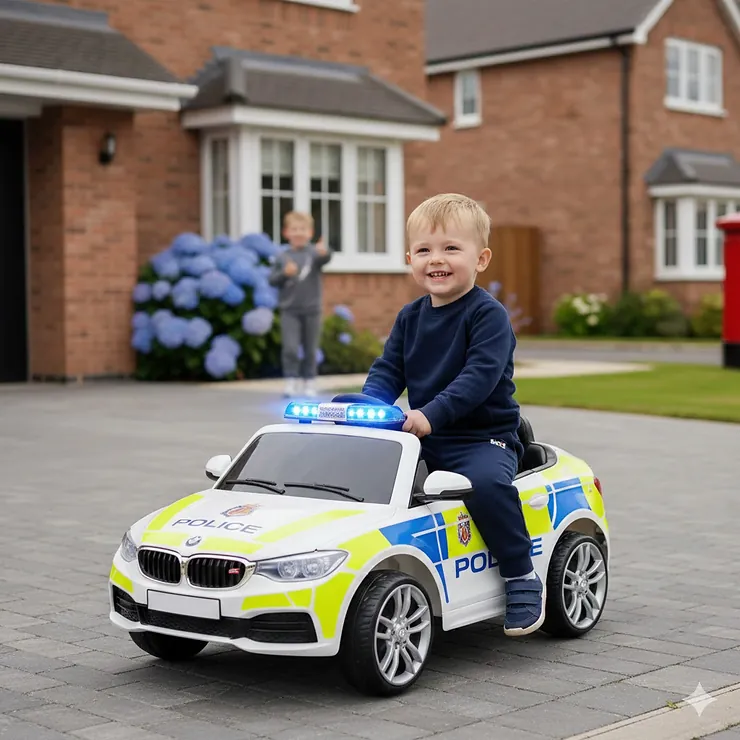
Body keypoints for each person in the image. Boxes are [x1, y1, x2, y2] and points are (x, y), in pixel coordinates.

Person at [362, 193, 544, 637]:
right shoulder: (410, 317)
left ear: (481, 259)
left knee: (485, 485)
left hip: (482, 438)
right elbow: (389, 370)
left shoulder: (488, 316)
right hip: (424, 434)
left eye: (450, 249)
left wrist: (430, 413)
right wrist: (369, 406)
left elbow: (476, 379)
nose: (435, 260)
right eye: (424, 250)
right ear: (409, 259)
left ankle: (520, 575)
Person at [268, 211, 331, 398]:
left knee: (311, 348)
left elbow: (326, 257)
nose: (298, 233)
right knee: (290, 348)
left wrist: (325, 251)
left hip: (312, 309)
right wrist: (284, 274)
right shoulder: (282, 256)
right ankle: (291, 381)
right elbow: (272, 280)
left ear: (310, 232)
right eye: (294, 229)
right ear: (286, 232)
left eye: (302, 229)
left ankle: (309, 381)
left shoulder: (314, 254)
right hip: (289, 310)